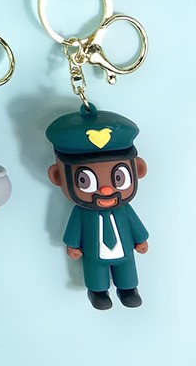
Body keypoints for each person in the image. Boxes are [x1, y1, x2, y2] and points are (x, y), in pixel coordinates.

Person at [46, 103, 149, 310]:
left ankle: (129, 289)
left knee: (127, 270)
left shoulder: (124, 210)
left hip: (124, 253)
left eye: (118, 178)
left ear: (138, 169)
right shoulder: (81, 212)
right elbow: (74, 229)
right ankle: (97, 292)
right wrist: (73, 245)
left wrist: (141, 239)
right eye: (85, 181)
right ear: (57, 176)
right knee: (95, 272)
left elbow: (135, 225)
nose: (106, 190)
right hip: (93, 255)